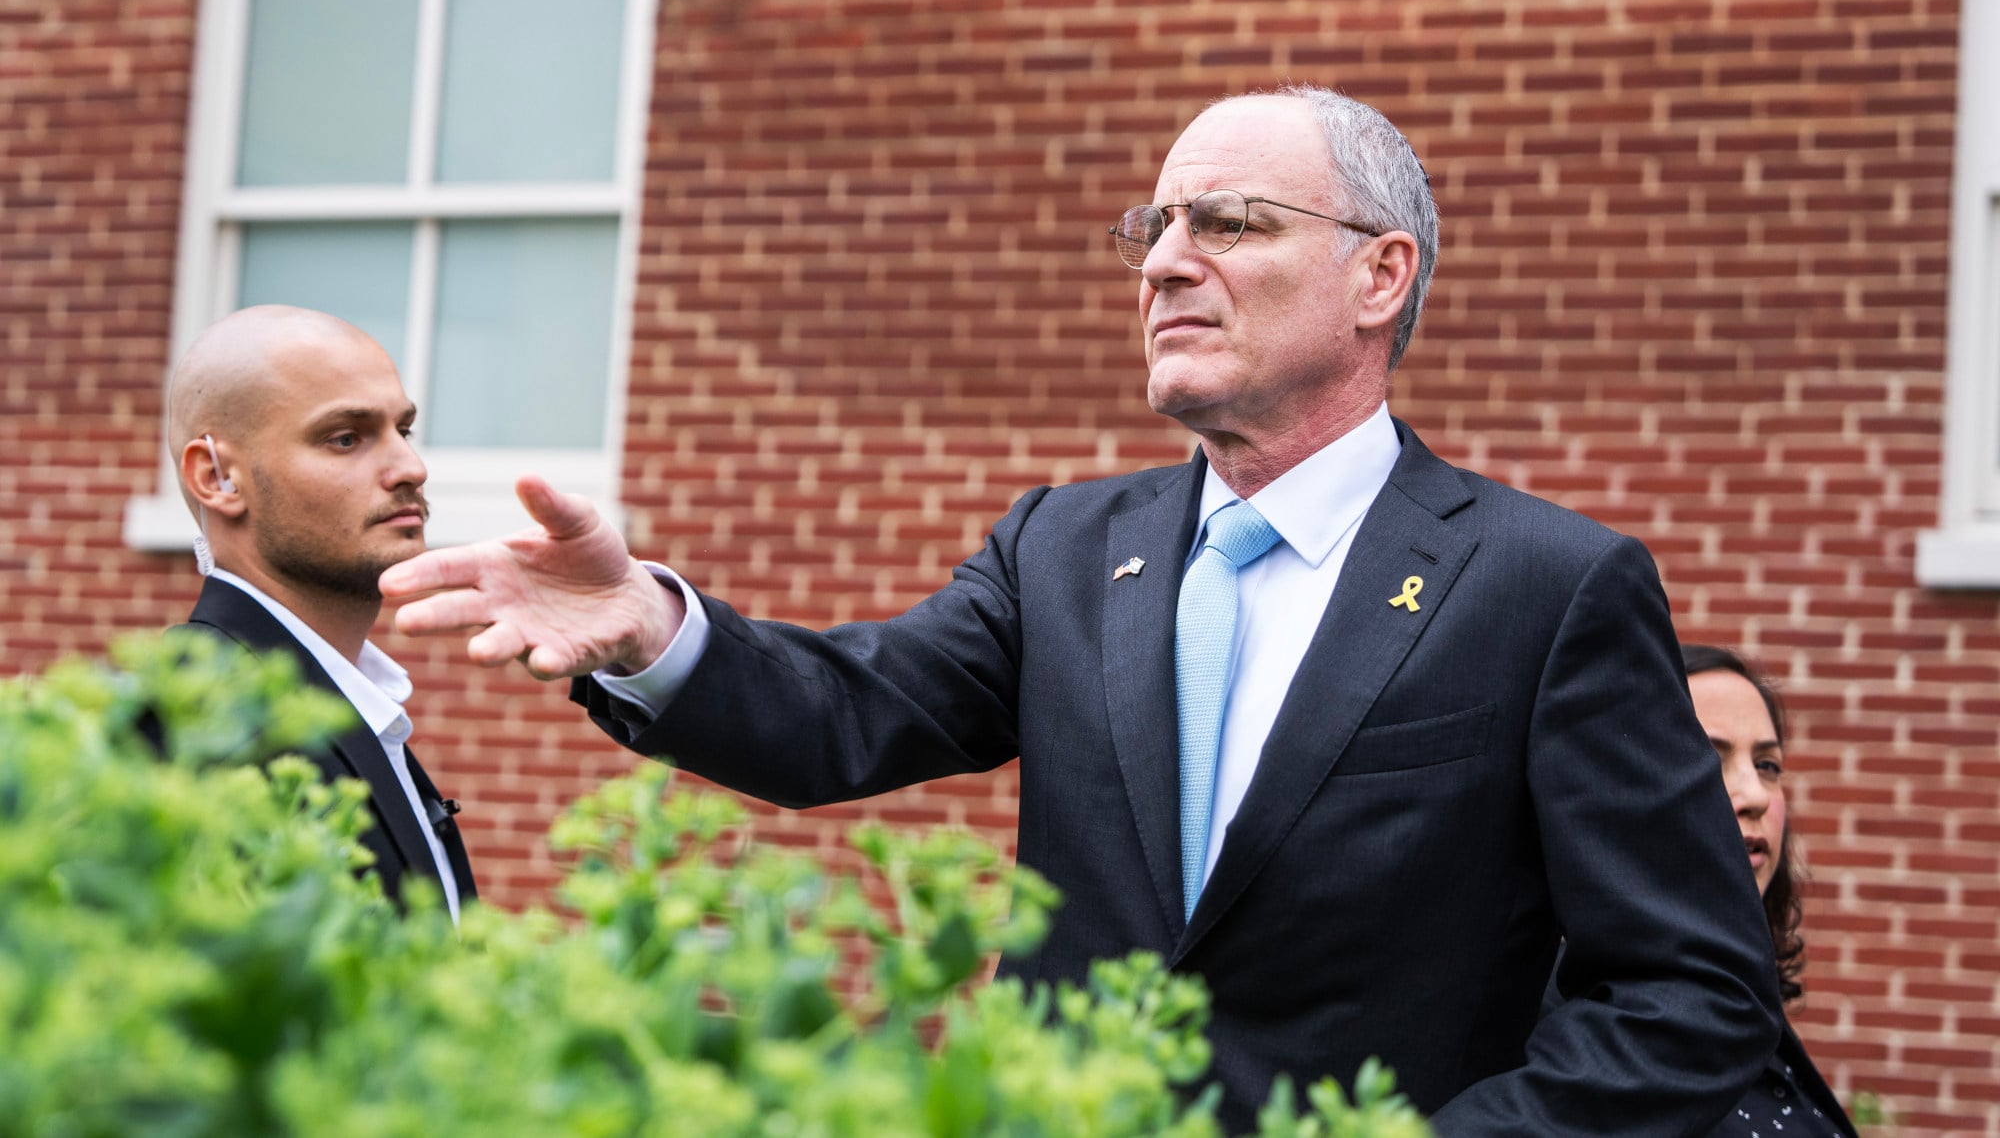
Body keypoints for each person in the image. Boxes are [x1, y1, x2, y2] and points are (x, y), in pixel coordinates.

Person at [383, 86, 1779, 1131]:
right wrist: (653, 626)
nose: (1167, 260)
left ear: (1381, 274)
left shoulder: (1547, 583)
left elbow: (1692, 997)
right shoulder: (1065, 543)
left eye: (1229, 222)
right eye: (1154, 227)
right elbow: (848, 714)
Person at [167, 305, 475, 922]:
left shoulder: (346, 695)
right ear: (219, 477)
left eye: (403, 431)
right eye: (346, 438)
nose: (411, 469)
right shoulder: (196, 724)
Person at [1684, 645, 1857, 1137]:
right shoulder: (1556, 1031)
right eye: (1707, 758)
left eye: (1768, 765)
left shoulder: (1745, 1011)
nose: (1756, 795)